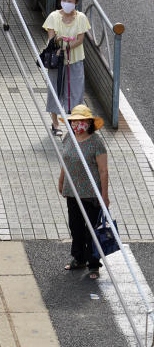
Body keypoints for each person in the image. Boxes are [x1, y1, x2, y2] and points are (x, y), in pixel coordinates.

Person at [58, 104, 109, 280]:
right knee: (76, 227)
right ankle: (78, 258)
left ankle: (94, 264)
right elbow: (65, 160)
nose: (76, 125)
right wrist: (61, 180)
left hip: (91, 194)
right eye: (74, 121)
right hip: (72, 192)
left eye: (80, 121)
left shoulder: (96, 142)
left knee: (92, 231)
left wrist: (104, 195)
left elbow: (103, 171)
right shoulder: (68, 138)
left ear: (88, 123)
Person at [43, 0, 91, 136]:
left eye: (69, 1)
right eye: (64, 0)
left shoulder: (81, 18)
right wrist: (59, 44)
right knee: (55, 91)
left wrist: (66, 47)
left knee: (76, 92)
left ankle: (74, 123)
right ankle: (55, 124)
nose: (66, 3)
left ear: (76, 2)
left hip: (75, 61)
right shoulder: (53, 16)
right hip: (57, 62)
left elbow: (80, 39)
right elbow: (51, 38)